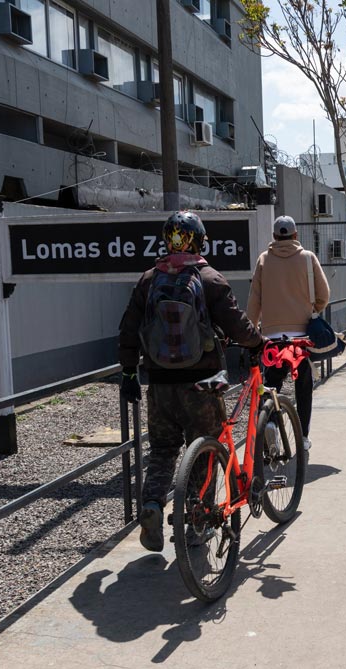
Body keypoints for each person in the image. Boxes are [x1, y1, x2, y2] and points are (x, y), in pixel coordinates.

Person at [117, 211, 263, 552]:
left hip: (160, 386)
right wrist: (257, 343)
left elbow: (128, 329)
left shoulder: (149, 279)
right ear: (200, 240)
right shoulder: (210, 278)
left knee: (163, 451)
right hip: (202, 383)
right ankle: (197, 524)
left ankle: (152, 505)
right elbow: (236, 325)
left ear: (167, 240)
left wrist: (127, 373)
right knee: (205, 453)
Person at [247, 215, 330, 453]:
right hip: (301, 338)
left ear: (274, 237)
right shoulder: (307, 258)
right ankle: (302, 437)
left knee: (271, 384)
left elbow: (255, 300)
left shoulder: (264, 260)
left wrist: (250, 331)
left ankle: (271, 422)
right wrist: (312, 310)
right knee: (303, 387)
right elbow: (324, 294)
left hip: (272, 338)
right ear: (295, 235)